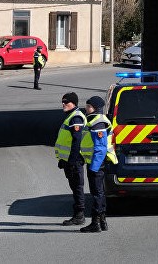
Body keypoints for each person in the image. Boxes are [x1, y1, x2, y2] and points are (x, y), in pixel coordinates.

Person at [79, 96, 117, 233]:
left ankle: (96, 223)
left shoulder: (98, 122)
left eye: (88, 106)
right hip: (96, 162)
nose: (86, 109)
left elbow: (100, 148)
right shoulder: (95, 120)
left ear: (96, 108)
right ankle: (102, 221)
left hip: (96, 164)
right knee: (99, 192)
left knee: (97, 193)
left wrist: (94, 167)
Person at [55, 92, 87, 226]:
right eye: (62, 102)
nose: (63, 104)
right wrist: (63, 160)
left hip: (75, 160)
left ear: (73, 103)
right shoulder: (71, 116)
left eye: (66, 102)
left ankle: (79, 216)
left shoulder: (76, 118)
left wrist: (72, 161)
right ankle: (78, 214)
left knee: (77, 187)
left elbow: (76, 141)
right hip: (69, 160)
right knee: (74, 187)